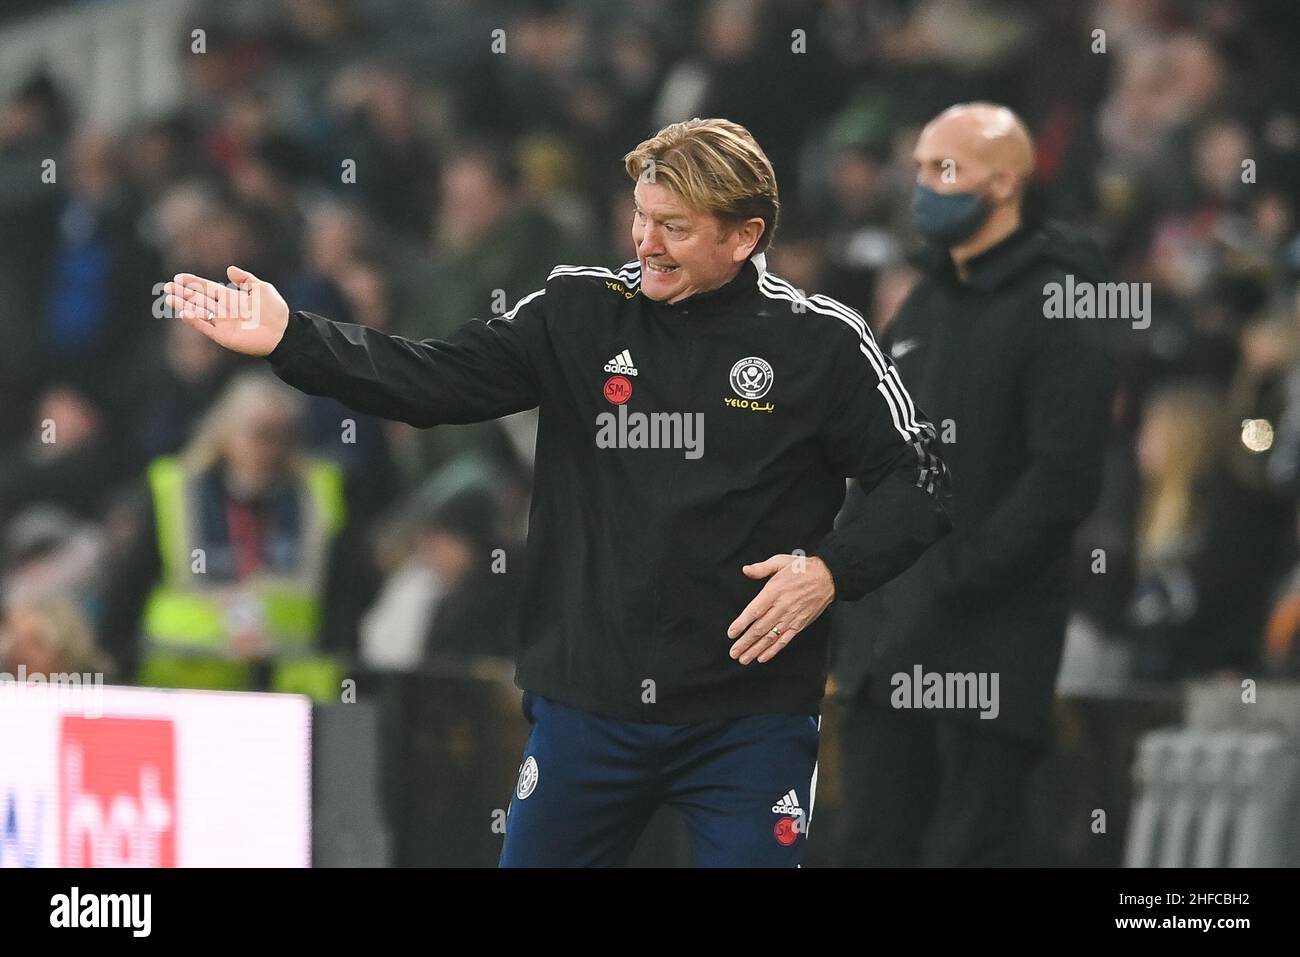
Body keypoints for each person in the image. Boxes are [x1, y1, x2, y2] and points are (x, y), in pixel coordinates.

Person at [163, 117, 950, 868]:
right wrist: (293, 336)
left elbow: (917, 482)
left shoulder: (823, 343)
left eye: (674, 226)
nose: (646, 243)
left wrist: (830, 570)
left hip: (749, 719)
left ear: (744, 237)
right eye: (641, 217)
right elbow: (433, 380)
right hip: (588, 708)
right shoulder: (581, 312)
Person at [832, 103, 1113, 866]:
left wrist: (954, 573)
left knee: (971, 848)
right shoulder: (923, 302)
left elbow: (1063, 477)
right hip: (887, 653)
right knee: (870, 845)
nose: (925, 186)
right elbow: (875, 457)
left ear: (1005, 181)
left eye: (945, 170)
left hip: (985, 655)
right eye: (921, 168)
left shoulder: (1060, 304)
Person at [98, 370, 357, 701]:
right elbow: (130, 585)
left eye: (282, 434)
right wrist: (114, 672)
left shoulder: (317, 495)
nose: (270, 448)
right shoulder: (177, 490)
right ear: (225, 431)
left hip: (286, 691)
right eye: (259, 433)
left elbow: (345, 596)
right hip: (186, 685)